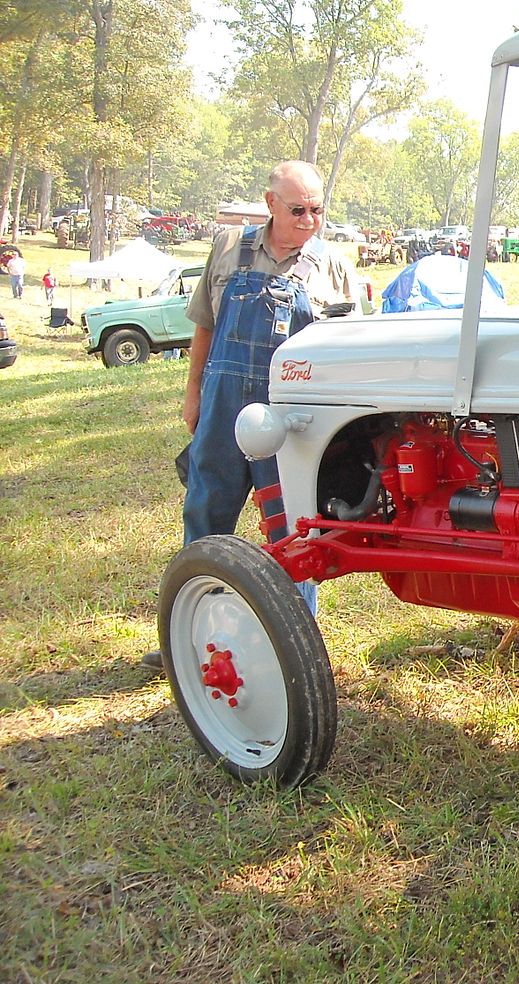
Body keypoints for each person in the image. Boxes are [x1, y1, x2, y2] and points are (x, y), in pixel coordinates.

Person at [142, 160, 363, 671]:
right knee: (206, 512)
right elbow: (204, 327)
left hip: (292, 415)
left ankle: (296, 644)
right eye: (298, 210)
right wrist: (194, 392)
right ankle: (192, 634)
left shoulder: (332, 265)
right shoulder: (227, 248)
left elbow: (350, 349)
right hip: (223, 406)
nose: (310, 220)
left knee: (293, 528)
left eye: (318, 210)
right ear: (270, 204)